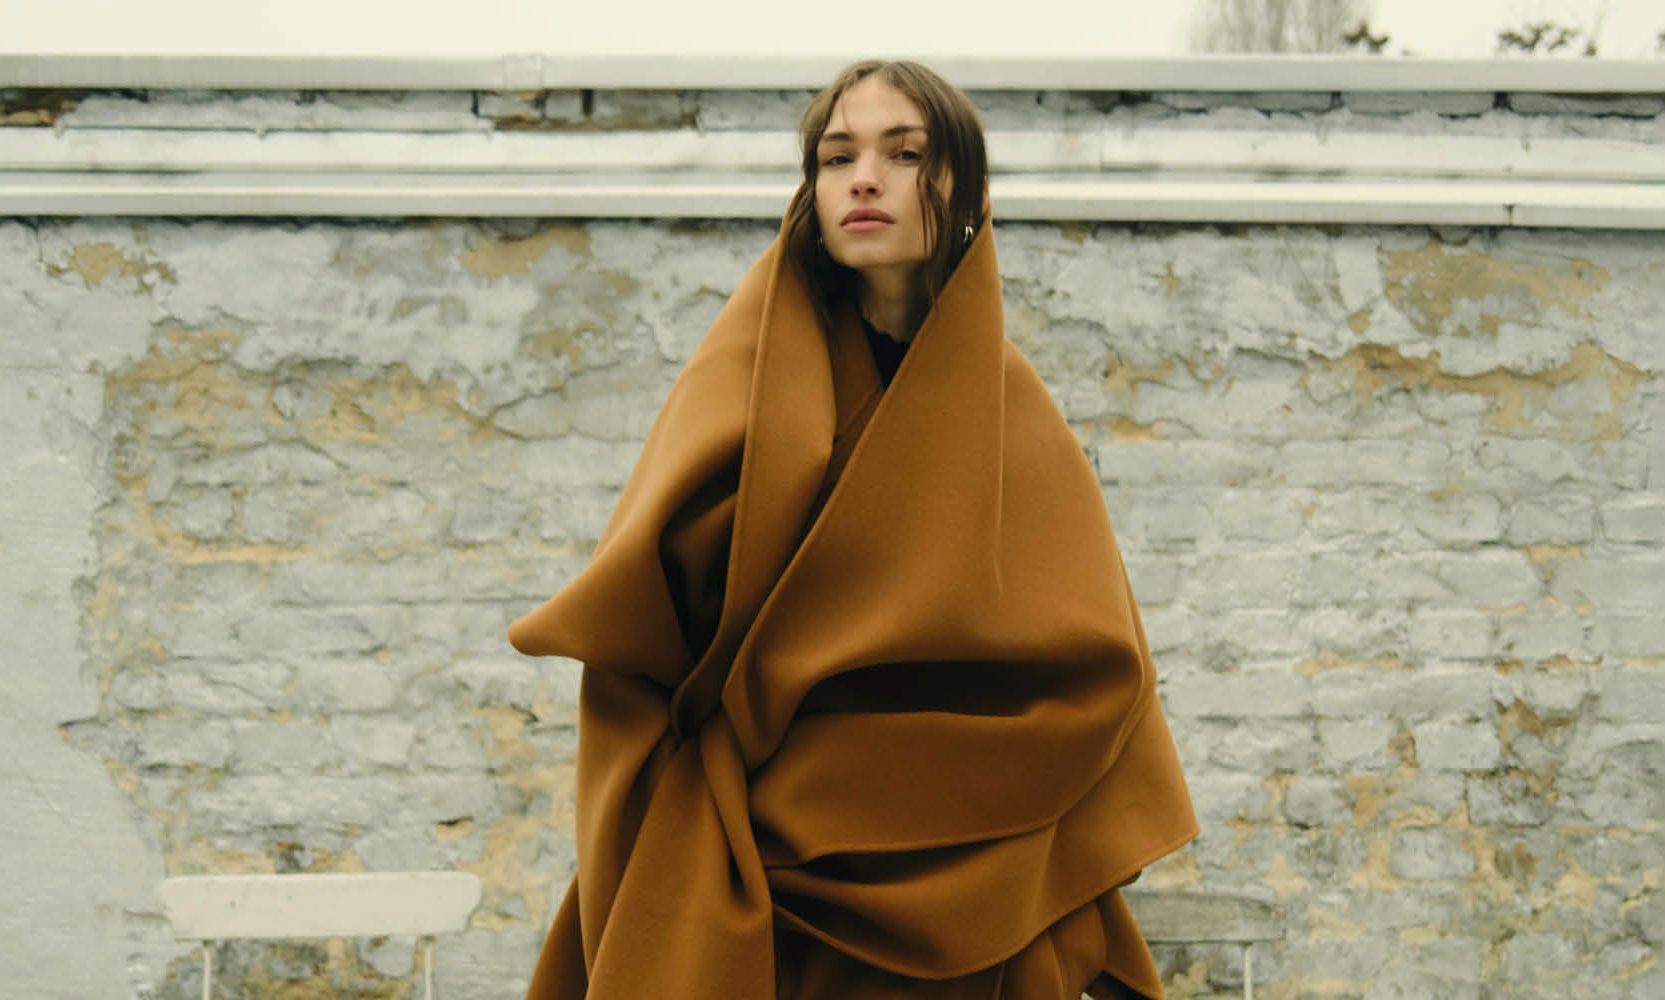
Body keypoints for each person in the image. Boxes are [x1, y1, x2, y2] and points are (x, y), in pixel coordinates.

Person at [506, 58, 1200, 999]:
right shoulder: (739, 382)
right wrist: (722, 808)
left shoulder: (1013, 413)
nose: (864, 178)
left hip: (959, 867)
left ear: (964, 189)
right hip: (751, 863)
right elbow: (640, 625)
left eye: (905, 153)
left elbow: (1091, 668)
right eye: (838, 158)